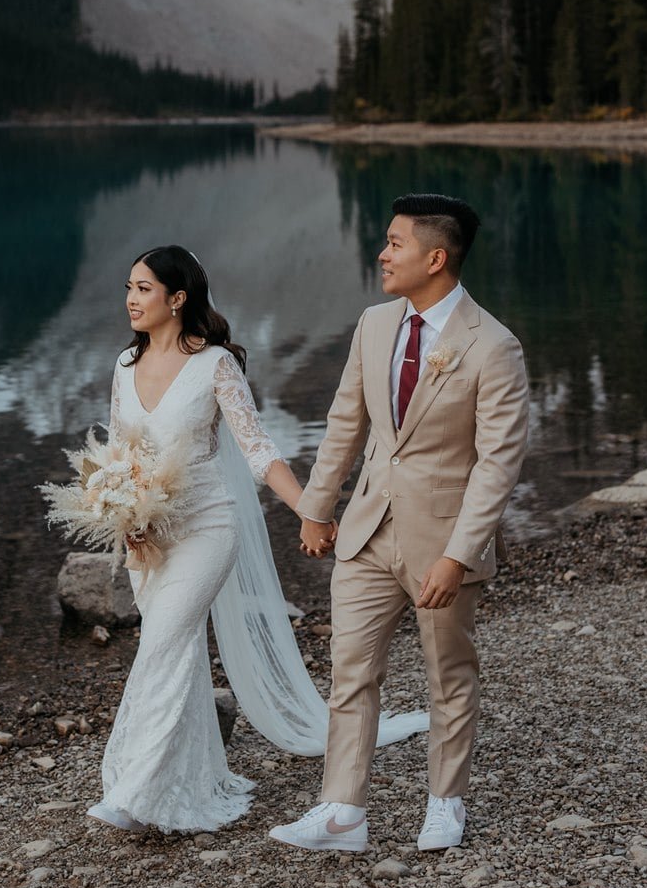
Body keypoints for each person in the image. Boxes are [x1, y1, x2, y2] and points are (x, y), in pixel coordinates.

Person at [88, 244, 425, 835]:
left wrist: (311, 512)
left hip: (207, 530)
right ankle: (184, 784)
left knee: (162, 643)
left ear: (178, 298)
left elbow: (259, 451)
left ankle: (133, 791)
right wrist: (121, 512)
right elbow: (120, 450)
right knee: (180, 651)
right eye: (128, 288)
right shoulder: (123, 365)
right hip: (149, 537)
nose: (131, 300)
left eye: (143, 289)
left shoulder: (216, 364)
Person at [269, 193, 529, 855]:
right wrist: (316, 509)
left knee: (449, 674)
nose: (380, 253)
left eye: (393, 243)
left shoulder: (493, 346)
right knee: (350, 672)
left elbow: (496, 466)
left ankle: (445, 802)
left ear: (434, 258)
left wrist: (457, 555)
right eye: (383, 241)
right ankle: (340, 812)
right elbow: (344, 423)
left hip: (440, 544)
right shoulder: (375, 324)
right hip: (365, 532)